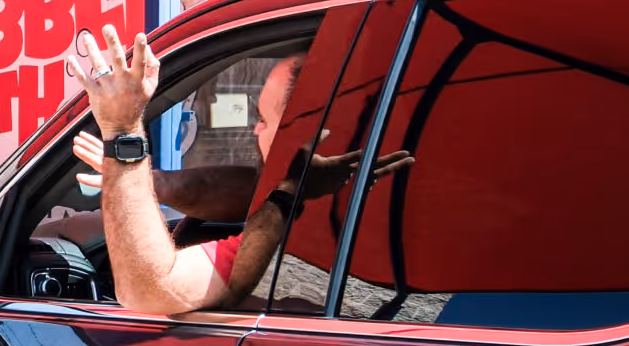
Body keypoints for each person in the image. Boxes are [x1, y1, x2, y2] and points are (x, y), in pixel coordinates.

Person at [69, 27, 406, 316]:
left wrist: (122, 130)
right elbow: (250, 188)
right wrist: (145, 183)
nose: (255, 130)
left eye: (264, 120)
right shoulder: (388, 203)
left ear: (311, 134)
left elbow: (149, 291)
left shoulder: (287, 231)